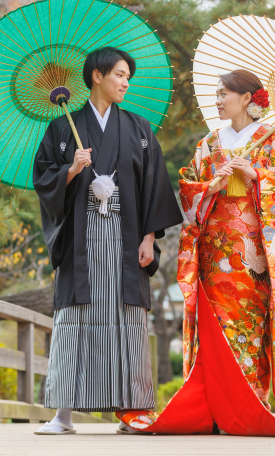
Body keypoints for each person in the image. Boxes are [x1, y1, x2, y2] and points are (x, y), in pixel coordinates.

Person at [116, 69, 275, 437]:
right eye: (215, 93)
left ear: (247, 99)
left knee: (251, 325)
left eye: (223, 93)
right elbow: (188, 188)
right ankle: (213, 407)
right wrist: (208, 186)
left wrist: (257, 175)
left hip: (253, 253)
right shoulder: (209, 143)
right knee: (214, 325)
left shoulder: (272, 142)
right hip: (214, 248)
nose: (217, 100)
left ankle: (249, 403)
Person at [32, 46, 183, 435]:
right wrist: (72, 169)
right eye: (119, 75)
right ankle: (62, 415)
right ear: (96, 76)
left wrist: (149, 237)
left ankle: (133, 411)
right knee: (75, 319)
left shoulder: (139, 128)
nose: (125, 83)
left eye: (127, 77)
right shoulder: (63, 127)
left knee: (128, 319)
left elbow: (154, 186)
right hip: (81, 237)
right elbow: (44, 180)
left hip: (126, 235)